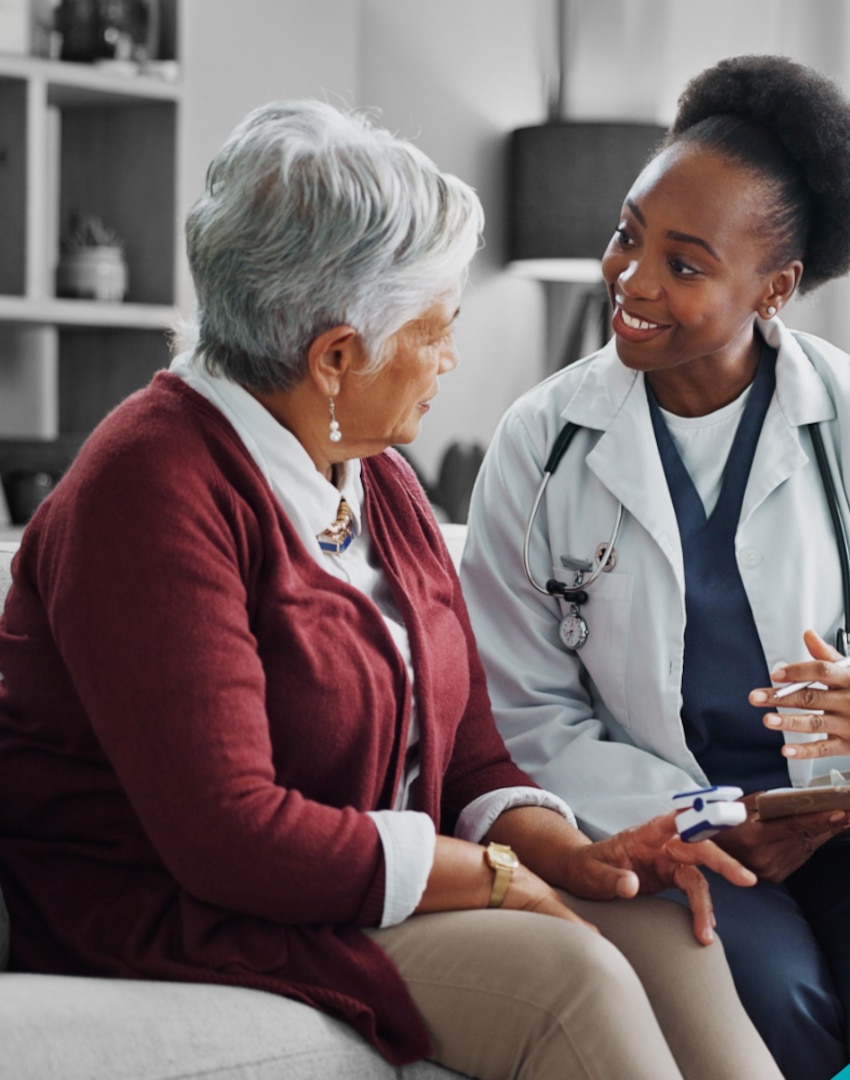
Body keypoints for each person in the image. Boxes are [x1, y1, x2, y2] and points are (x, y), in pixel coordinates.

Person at [0, 100, 781, 1080]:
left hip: (347, 885)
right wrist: (493, 877)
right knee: (568, 975)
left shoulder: (375, 474)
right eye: (438, 329)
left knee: (670, 936)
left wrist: (566, 855)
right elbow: (231, 838)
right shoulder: (148, 490)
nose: (453, 359)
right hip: (182, 906)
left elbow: (468, 756)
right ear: (336, 357)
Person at [460, 56, 850, 1080]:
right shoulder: (540, 446)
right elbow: (522, 713)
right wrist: (701, 817)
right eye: (629, 236)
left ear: (775, 288)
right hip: (678, 840)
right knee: (770, 1006)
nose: (632, 281)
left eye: (684, 264)